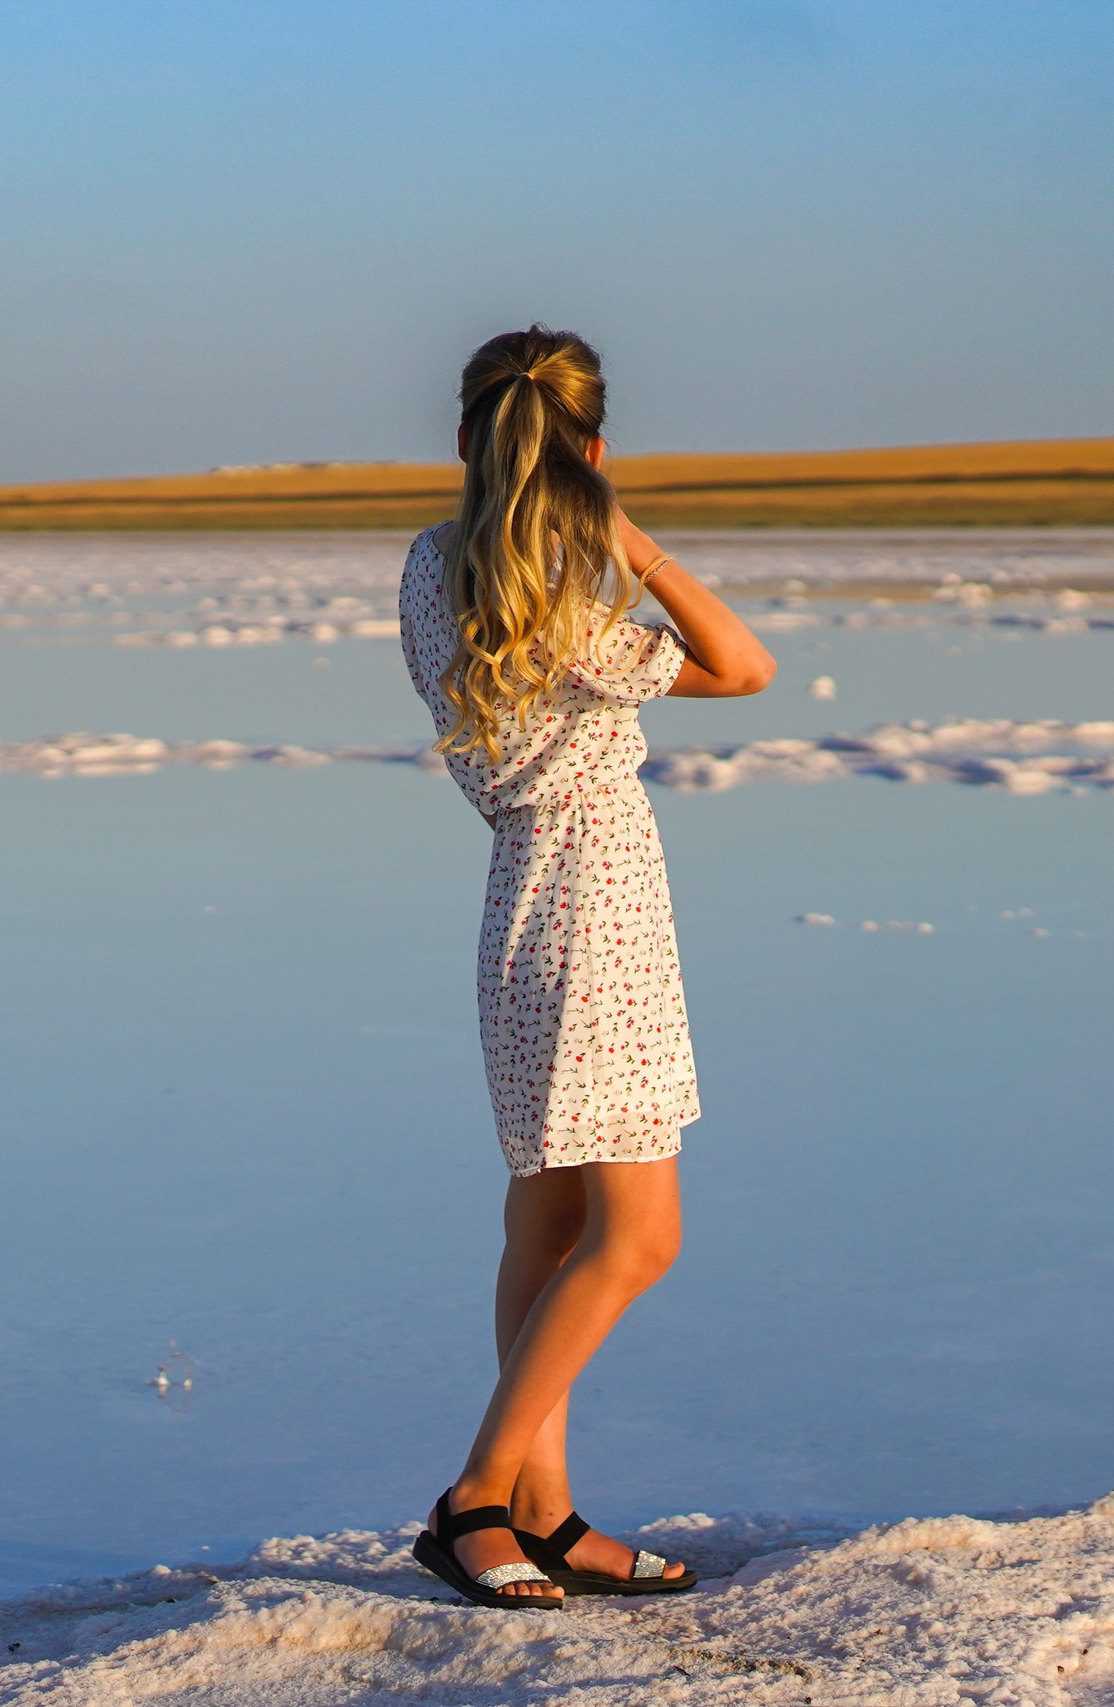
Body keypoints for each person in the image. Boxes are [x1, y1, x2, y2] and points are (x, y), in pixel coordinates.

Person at [397, 326, 777, 1608]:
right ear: (594, 456)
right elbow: (745, 665)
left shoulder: (428, 566)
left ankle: (546, 1516)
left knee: (549, 1222)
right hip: (598, 907)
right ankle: (476, 1498)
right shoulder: (566, 602)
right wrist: (635, 544)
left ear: (464, 441)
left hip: (519, 897)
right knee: (638, 1237)